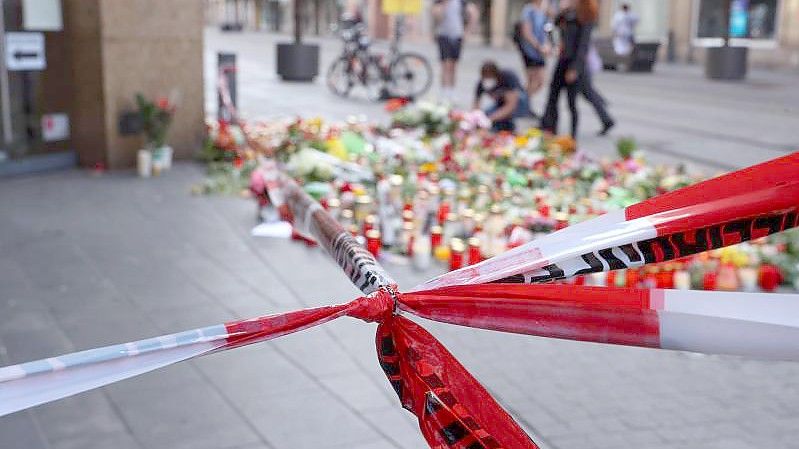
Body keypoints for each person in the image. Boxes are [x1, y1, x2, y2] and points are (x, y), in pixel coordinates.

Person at [541, 0, 614, 138]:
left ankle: (574, 135)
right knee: (553, 95)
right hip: (563, 61)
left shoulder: (586, 17)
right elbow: (555, 23)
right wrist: (562, 10)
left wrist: (575, 68)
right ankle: (550, 128)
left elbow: (583, 46)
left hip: (575, 64)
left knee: (574, 100)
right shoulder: (568, 14)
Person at [432, 0, 478, 101]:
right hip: (443, 35)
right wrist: (443, 5)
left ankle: (451, 92)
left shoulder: (461, 2)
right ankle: (444, 91)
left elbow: (473, 12)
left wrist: (468, 31)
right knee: (445, 64)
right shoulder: (440, 2)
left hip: (457, 36)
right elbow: (437, 17)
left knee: (453, 65)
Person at [515, 0, 551, 117]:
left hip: (540, 51)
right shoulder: (529, 10)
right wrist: (538, 46)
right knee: (534, 80)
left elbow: (546, 30)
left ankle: (523, 105)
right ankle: (521, 104)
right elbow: (526, 32)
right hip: (530, 51)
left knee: (538, 81)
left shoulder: (543, 9)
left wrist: (546, 45)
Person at [472, 61, 529, 133]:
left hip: (518, 103)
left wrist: (491, 119)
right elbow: (476, 105)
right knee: (485, 115)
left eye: (489, 77)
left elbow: (511, 105)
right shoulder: (482, 83)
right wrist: (476, 118)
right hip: (500, 104)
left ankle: (510, 124)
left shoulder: (507, 77)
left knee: (496, 118)